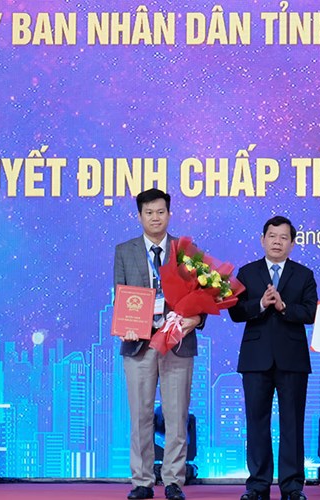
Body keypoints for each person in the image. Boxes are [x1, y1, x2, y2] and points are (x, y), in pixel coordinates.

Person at [114, 188, 203, 500]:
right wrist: (125, 325)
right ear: (139, 216)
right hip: (138, 343)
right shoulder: (124, 251)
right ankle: (142, 481)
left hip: (178, 341)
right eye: (149, 213)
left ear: (169, 214)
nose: (155, 218)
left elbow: (202, 293)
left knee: (176, 415)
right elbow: (120, 293)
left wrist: (197, 319)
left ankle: (174, 480)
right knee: (140, 415)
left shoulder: (186, 251)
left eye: (161, 212)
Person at [228, 215, 318, 500]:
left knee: (293, 423)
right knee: (257, 423)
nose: (277, 242)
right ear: (262, 239)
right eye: (272, 236)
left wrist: (283, 307)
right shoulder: (247, 272)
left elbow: (311, 312)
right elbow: (235, 311)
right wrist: (260, 303)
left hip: (292, 359)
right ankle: (257, 485)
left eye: (283, 238)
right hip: (255, 359)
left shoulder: (304, 275)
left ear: (292, 244)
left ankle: (292, 486)